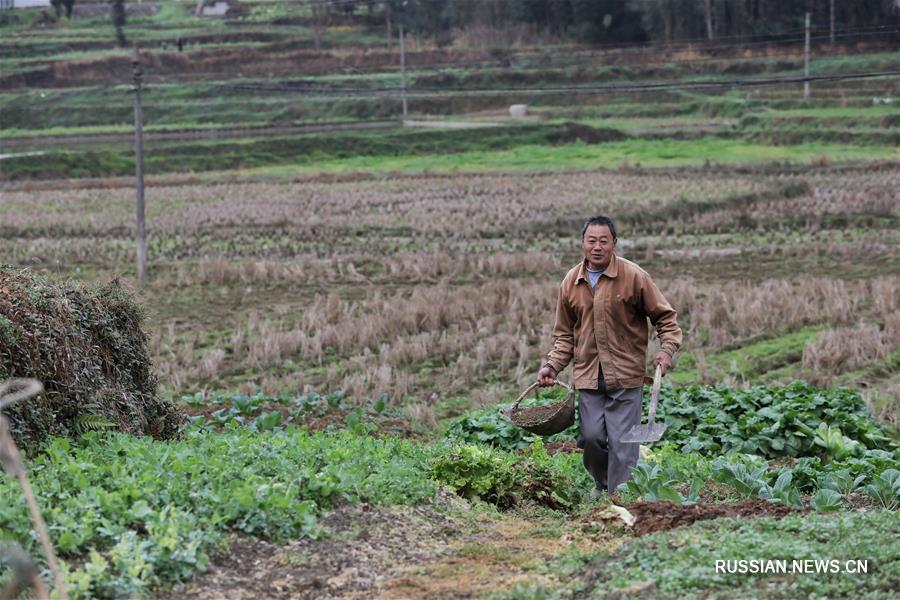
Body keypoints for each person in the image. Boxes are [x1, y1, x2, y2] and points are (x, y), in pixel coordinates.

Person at [537, 215, 682, 500]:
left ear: (614, 243)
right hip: (589, 376)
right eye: (591, 241)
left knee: (622, 443)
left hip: (626, 376)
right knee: (591, 438)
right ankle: (603, 484)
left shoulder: (634, 276)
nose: (597, 246)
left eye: (604, 241)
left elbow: (665, 318)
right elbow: (565, 334)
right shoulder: (571, 282)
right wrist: (552, 365)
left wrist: (666, 350)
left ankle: (620, 497)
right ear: (582, 243)